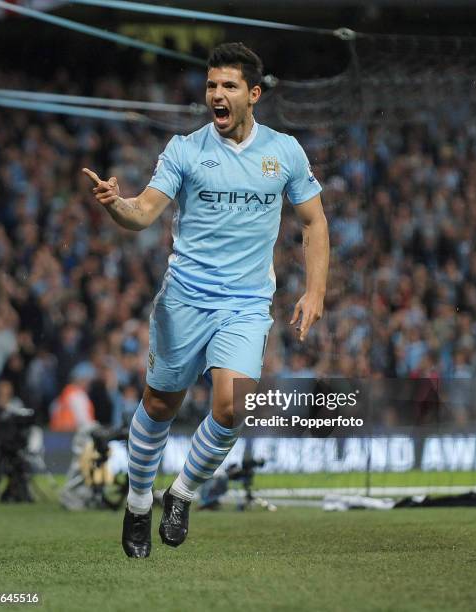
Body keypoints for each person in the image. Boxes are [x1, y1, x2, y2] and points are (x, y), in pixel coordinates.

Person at [83, 42, 329, 558]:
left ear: (253, 94)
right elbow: (144, 213)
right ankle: (137, 504)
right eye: (212, 85)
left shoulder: (284, 152)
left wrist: (315, 290)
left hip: (244, 304)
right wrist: (115, 204)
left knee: (231, 404)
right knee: (159, 404)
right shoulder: (185, 149)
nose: (217, 94)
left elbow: (313, 221)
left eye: (229, 86)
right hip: (184, 301)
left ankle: (182, 493)